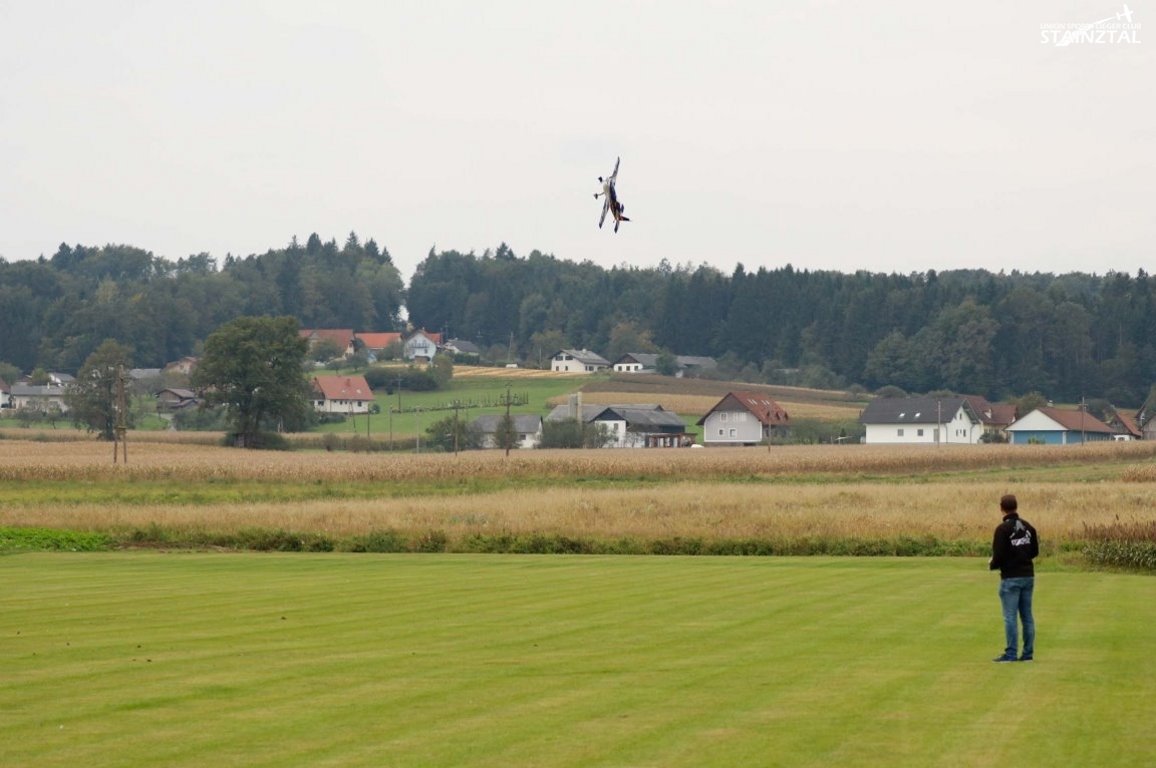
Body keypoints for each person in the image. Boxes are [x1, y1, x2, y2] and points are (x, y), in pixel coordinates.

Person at [989, 494, 1039, 662]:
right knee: (1027, 616)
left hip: (1010, 577)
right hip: (1028, 575)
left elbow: (999, 555)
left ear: (1001, 507)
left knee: (1010, 616)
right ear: (1016, 507)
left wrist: (992, 564)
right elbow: (1034, 552)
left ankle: (1011, 653)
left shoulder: (1002, 529)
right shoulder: (1028, 527)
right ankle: (1028, 653)